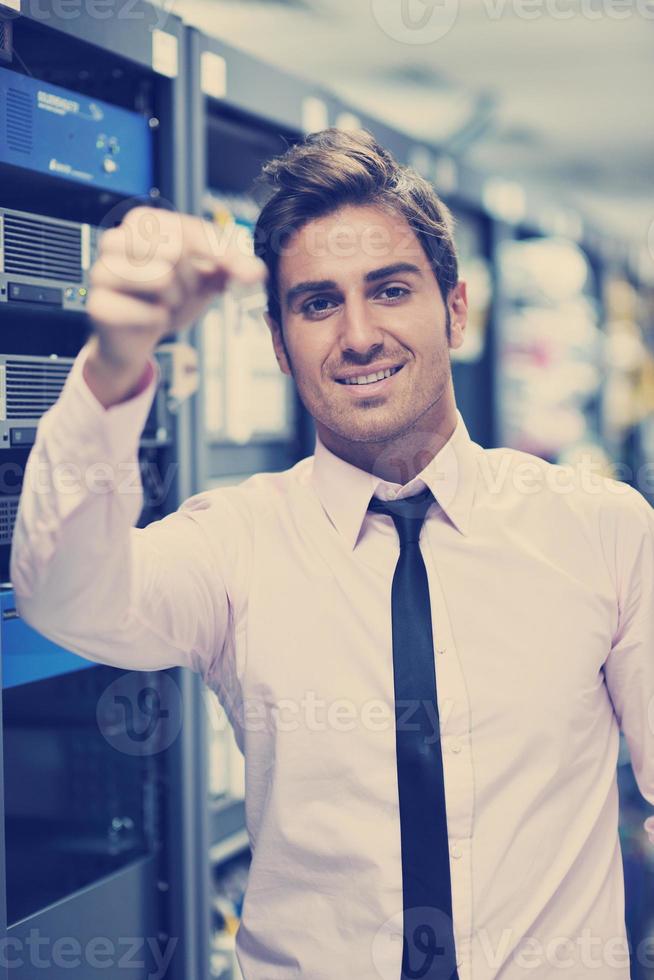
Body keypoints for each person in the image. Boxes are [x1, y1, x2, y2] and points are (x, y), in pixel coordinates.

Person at [10, 129, 654, 980]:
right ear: (278, 343)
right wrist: (112, 369)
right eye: (317, 304)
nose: (358, 335)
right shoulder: (234, 545)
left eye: (390, 290)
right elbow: (63, 598)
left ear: (455, 309)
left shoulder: (602, 530)